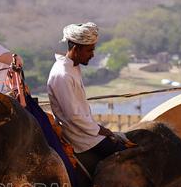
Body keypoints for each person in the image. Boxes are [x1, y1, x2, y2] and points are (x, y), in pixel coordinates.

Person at [46, 22, 128, 175]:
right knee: (127, 157)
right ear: (76, 49)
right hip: (81, 138)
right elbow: (73, 116)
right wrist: (99, 130)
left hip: (87, 131)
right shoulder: (63, 75)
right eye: (89, 50)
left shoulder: (72, 66)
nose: (92, 54)